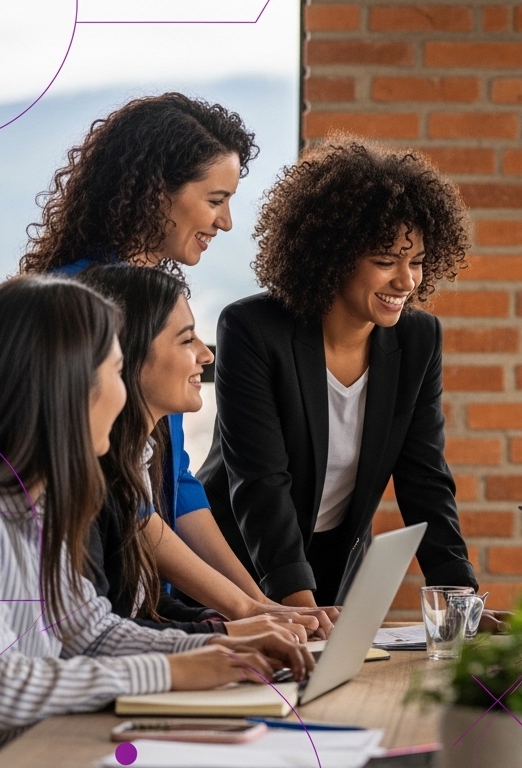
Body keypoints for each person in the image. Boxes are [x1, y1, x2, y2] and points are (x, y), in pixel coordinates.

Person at [0, 277, 311, 768]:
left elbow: (89, 631)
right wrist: (175, 671)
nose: (123, 389)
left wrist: (219, 648)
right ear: (65, 387)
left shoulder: (42, 500)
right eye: (115, 371)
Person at [198, 138, 487, 613]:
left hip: (336, 567)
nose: (406, 281)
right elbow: (260, 482)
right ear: (332, 256)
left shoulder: (418, 339)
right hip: (238, 567)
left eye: (415, 262)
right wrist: (298, 606)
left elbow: (425, 478)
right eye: (384, 261)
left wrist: (461, 601)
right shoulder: (252, 329)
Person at [19, 93, 269, 608]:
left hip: (146, 602)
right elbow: (121, 498)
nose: (225, 223)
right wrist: (245, 610)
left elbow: (173, 481)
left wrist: (262, 605)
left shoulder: (157, 304)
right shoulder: (76, 307)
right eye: (216, 199)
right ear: (158, 194)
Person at [75, 264, 334, 641]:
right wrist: (227, 631)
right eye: (186, 340)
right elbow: (103, 633)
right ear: (127, 355)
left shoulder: (140, 459)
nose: (205, 355)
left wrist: (244, 620)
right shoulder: (91, 483)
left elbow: (143, 608)